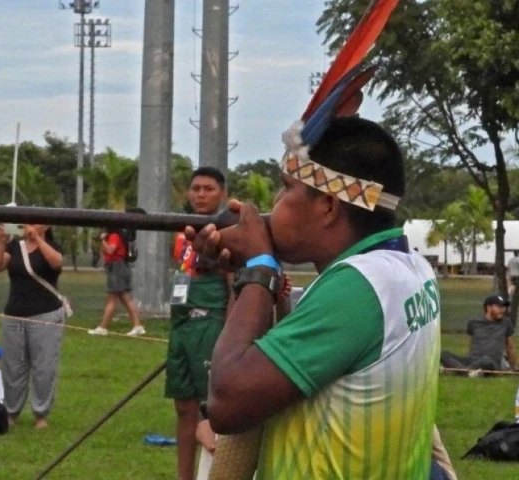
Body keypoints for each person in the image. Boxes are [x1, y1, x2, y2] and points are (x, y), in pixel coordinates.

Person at [191, 116, 441, 478]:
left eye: (286, 189)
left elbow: (228, 402)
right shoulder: (409, 269)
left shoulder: (359, 286)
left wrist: (260, 267)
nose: (274, 204)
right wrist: (245, 271)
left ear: (327, 206)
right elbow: (266, 356)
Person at [164, 167, 237, 480]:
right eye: (196, 188)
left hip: (212, 324)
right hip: (182, 324)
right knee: (183, 407)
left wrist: (232, 331)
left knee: (211, 409)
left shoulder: (227, 233)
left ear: (221, 193)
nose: (201, 194)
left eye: (208, 189)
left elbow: (234, 284)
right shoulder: (182, 234)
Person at [0, 222, 65, 430]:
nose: (29, 226)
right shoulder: (15, 246)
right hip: (14, 313)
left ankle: (41, 414)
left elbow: (56, 263)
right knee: (13, 365)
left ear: (46, 227)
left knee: (44, 366)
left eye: (35, 222)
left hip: (45, 314)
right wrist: (1, 242)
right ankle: (11, 411)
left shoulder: (53, 246)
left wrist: (38, 240)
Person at [87, 227, 145, 337]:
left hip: (117, 268)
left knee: (111, 299)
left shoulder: (114, 236)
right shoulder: (116, 236)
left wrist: (102, 240)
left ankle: (103, 327)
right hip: (121, 267)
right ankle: (138, 326)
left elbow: (110, 250)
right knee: (127, 299)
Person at [440, 294, 517, 375]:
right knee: (442, 354)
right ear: (489, 307)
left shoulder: (506, 323)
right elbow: (471, 343)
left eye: (504, 307)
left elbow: (510, 348)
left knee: (486, 361)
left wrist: (514, 367)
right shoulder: (474, 323)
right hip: (472, 361)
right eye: (499, 307)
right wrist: (469, 358)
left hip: (491, 363)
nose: (503, 310)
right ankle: (467, 371)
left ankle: (459, 370)